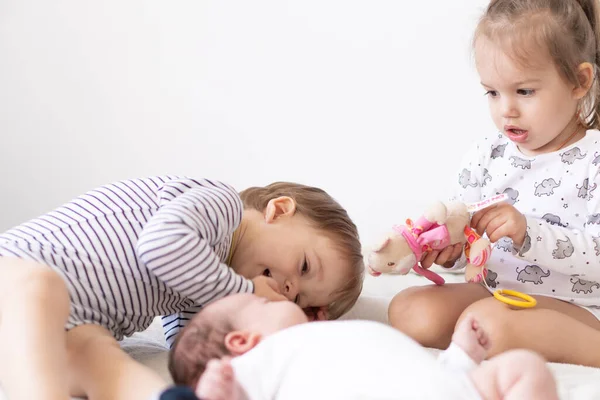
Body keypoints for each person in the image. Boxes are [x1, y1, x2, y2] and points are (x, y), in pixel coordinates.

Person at [0, 176, 364, 400]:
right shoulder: (221, 206)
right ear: (279, 210)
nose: (287, 288)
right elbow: (159, 246)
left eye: (297, 297)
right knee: (37, 286)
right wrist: (248, 292)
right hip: (14, 271)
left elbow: (189, 343)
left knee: (100, 358)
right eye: (303, 266)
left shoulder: (207, 285)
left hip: (64, 328)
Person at [388, 0, 600, 367]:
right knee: (409, 309)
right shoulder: (487, 153)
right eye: (493, 93)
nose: (506, 110)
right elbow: (466, 234)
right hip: (497, 294)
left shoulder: (594, 158)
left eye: (525, 92)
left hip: (577, 310)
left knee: (487, 324)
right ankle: (490, 331)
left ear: (579, 81)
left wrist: (527, 234)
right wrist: (450, 250)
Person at [167, 293, 558, 400]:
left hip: (447, 389)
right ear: (241, 341)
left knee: (523, 366)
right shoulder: (250, 366)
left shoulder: (331, 336)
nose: (283, 300)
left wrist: (462, 355)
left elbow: (422, 375)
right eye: (266, 304)